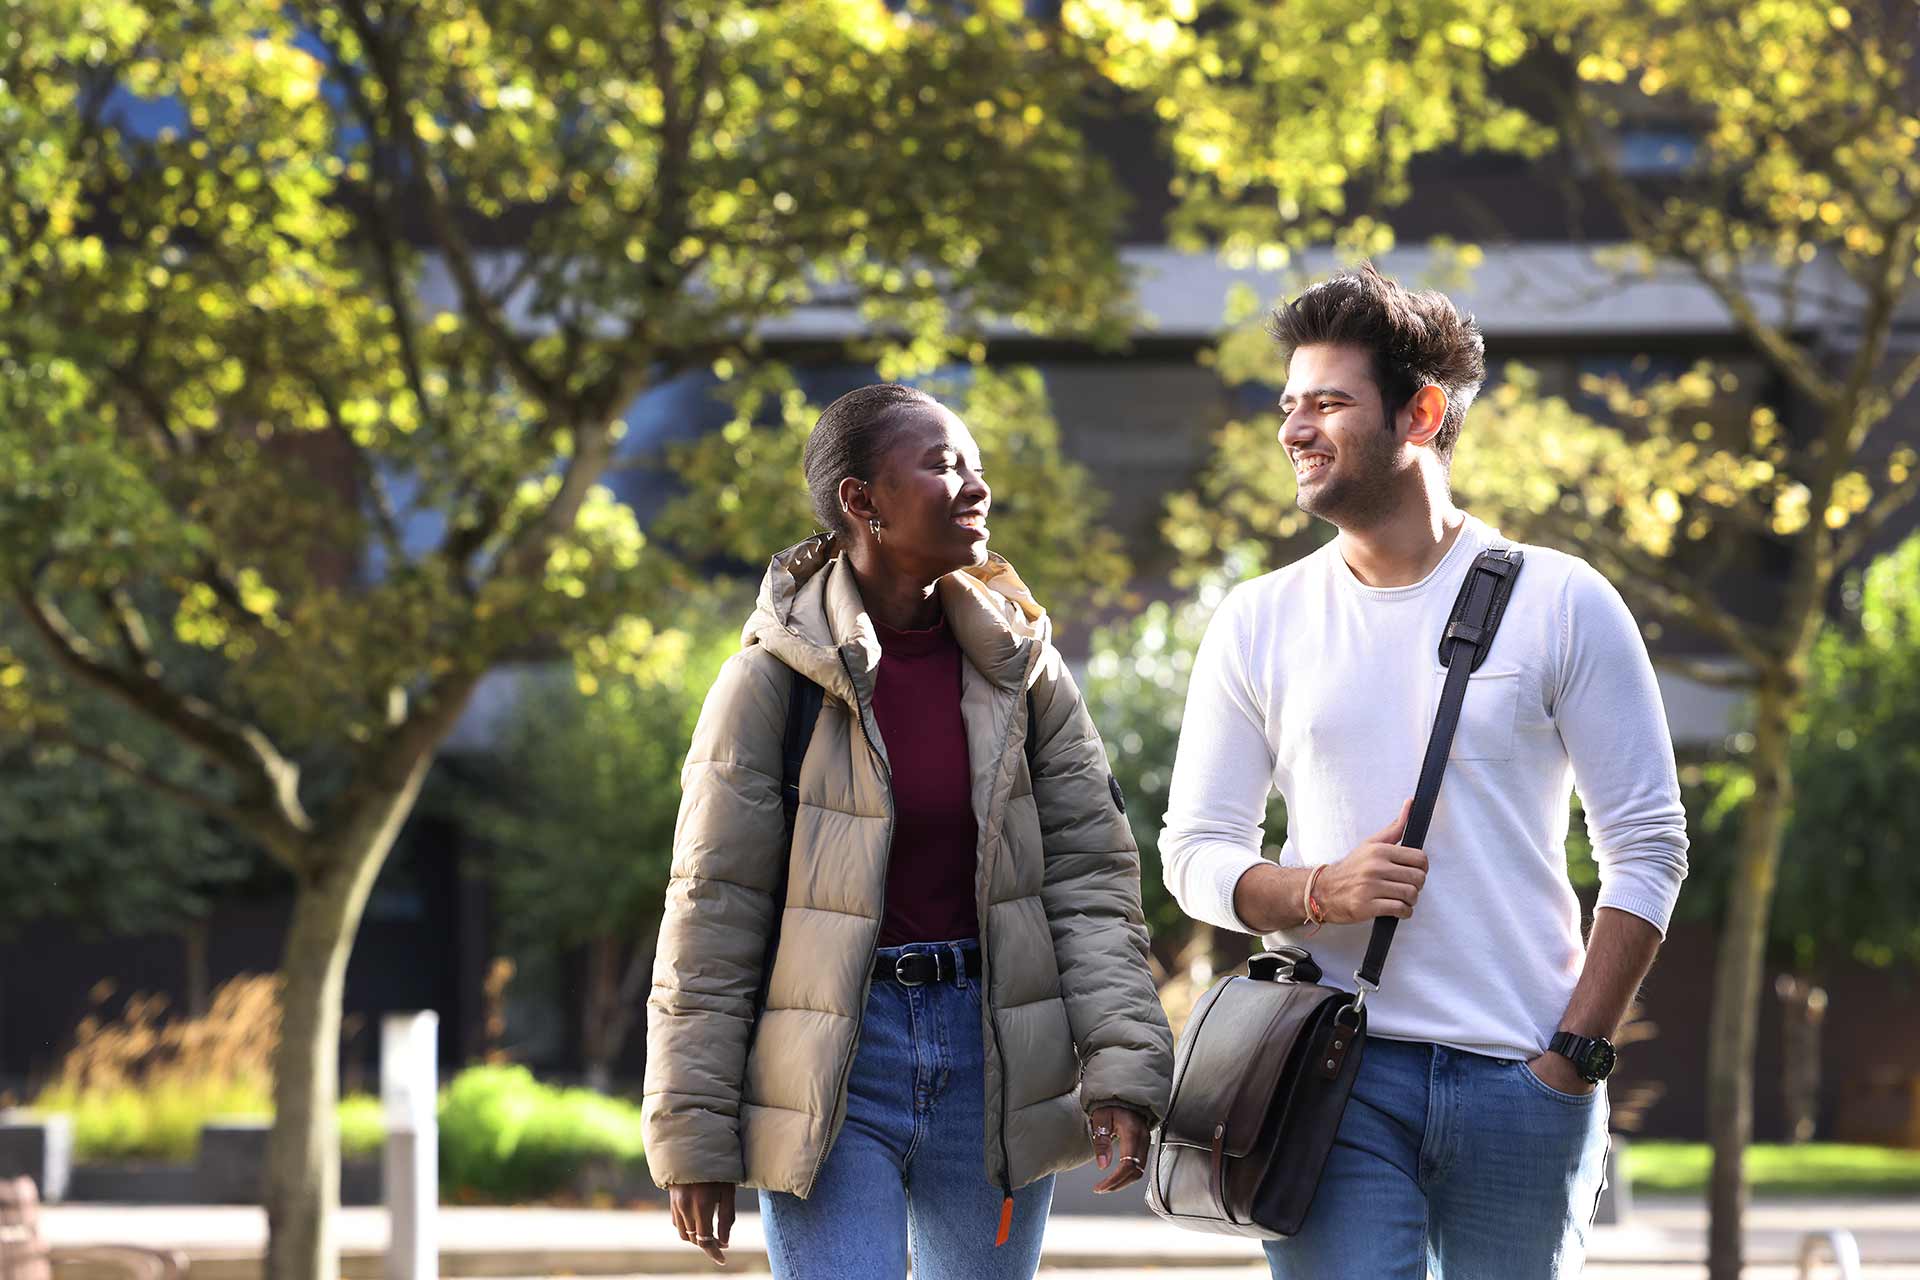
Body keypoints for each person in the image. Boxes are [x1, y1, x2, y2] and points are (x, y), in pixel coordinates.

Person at [1159, 266, 1689, 1279]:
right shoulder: (1260, 620)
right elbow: (1193, 851)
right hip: (1328, 1079)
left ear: (1423, 410)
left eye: (1328, 402)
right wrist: (1317, 889)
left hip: (1522, 1082)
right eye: (1288, 403)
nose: (1295, 429)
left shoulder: (1564, 602)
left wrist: (1572, 1058)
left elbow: (1650, 849)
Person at [643, 383, 1174, 1278]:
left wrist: (1123, 1069)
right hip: (833, 1072)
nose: (974, 485)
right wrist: (692, 1132)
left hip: (999, 1057)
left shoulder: (1025, 672)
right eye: (942, 463)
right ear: (861, 501)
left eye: (976, 464)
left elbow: (1091, 884)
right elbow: (711, 912)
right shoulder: (770, 684)